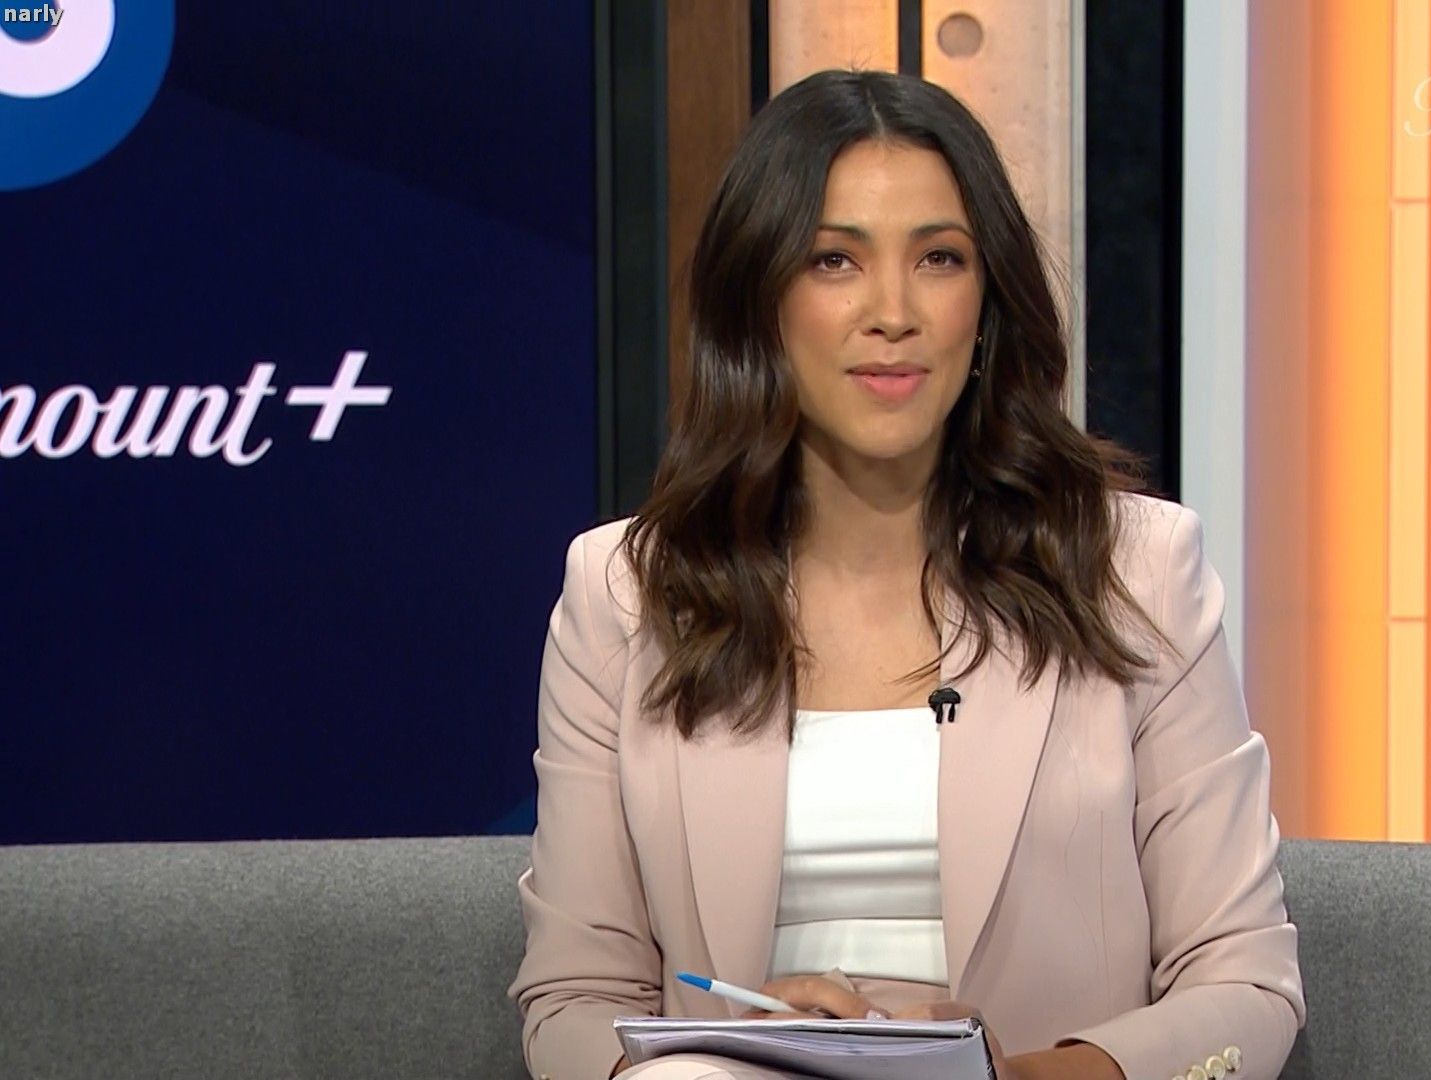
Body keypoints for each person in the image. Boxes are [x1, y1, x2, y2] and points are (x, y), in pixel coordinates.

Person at [509, 68, 1304, 1080]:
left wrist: (1007, 1077)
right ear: (759, 300)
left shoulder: (1136, 573)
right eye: (834, 260)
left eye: (938, 258)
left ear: (988, 303)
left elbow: (1244, 983)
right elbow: (573, 1003)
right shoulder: (625, 595)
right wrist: (741, 1055)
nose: (893, 311)